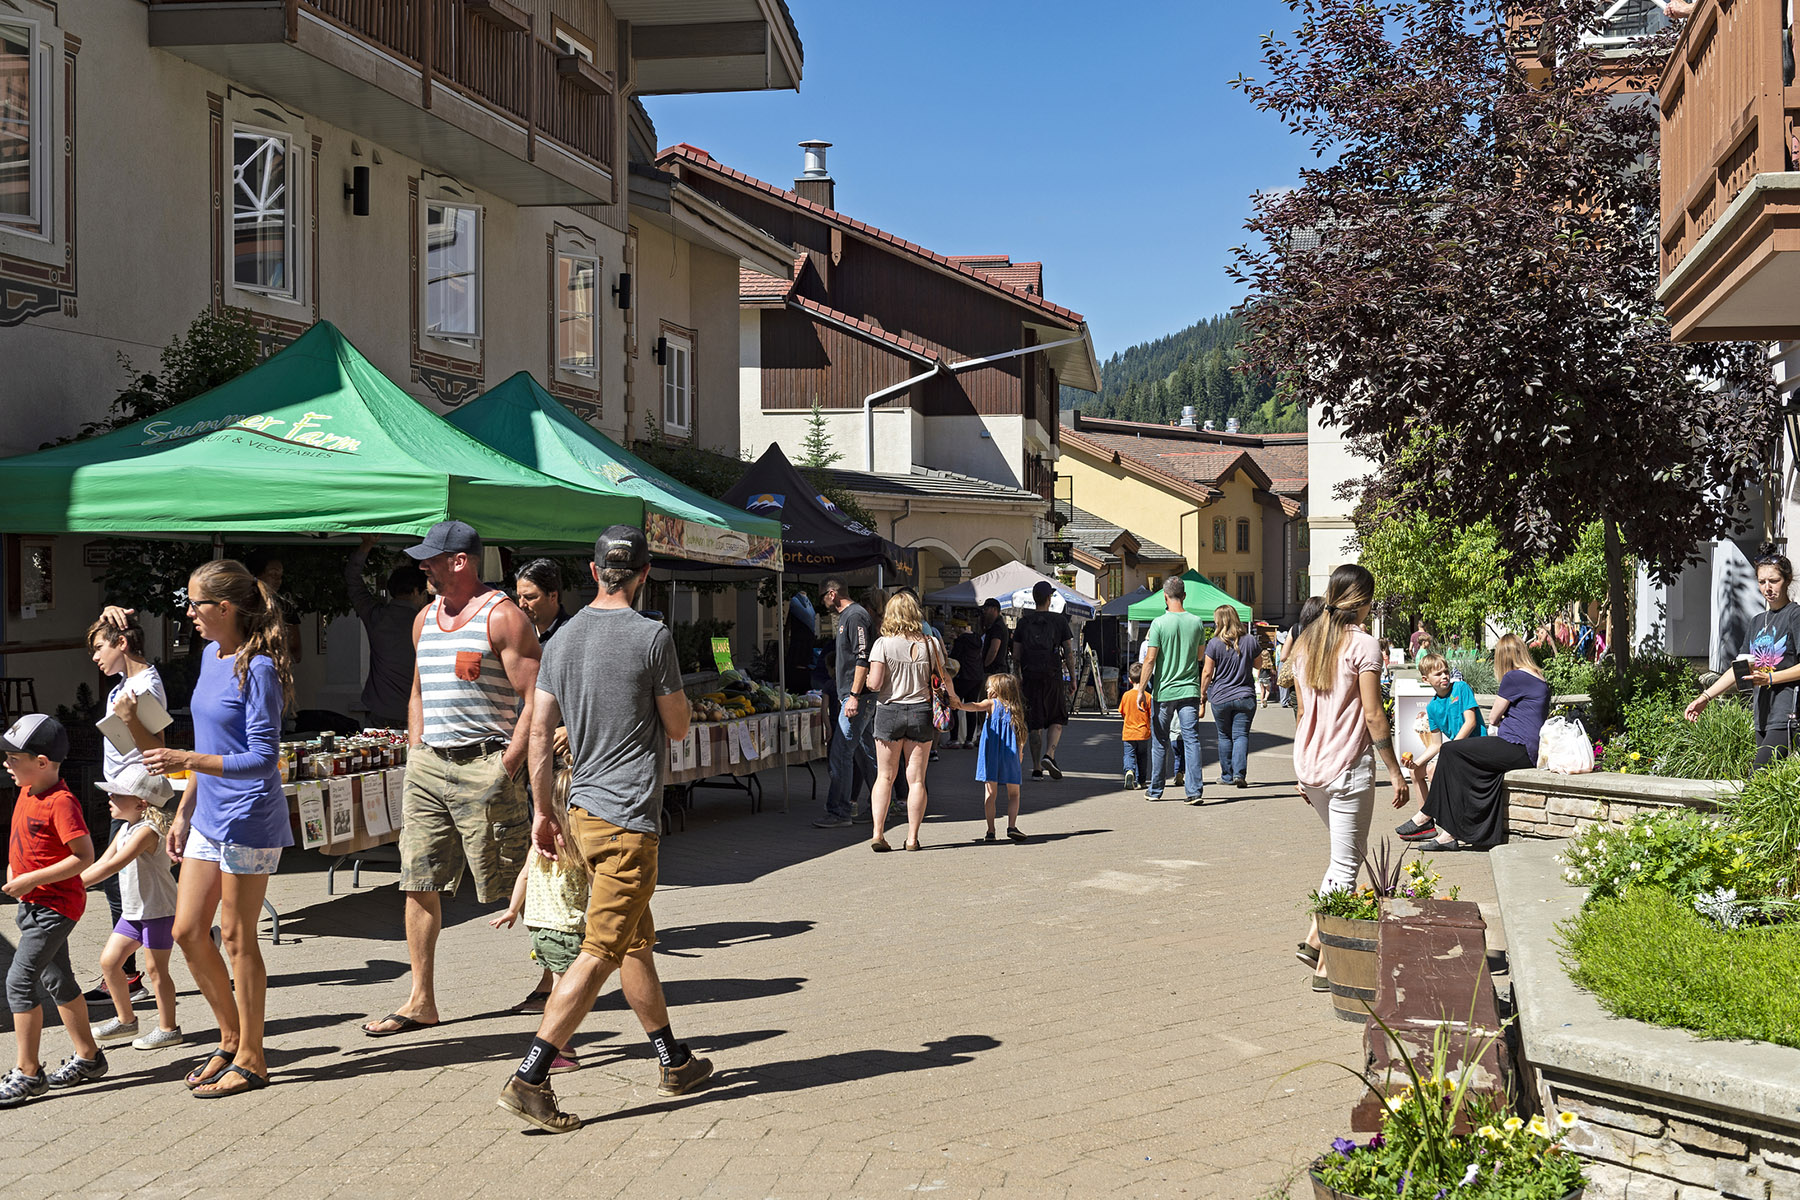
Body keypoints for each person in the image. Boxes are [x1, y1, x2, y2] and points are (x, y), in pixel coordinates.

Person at [497, 526, 711, 1133]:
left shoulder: (560, 640)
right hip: (629, 820)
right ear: (644, 574)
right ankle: (530, 1077)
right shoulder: (653, 636)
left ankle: (675, 1062)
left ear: (594, 573)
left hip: (583, 814)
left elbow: (539, 733)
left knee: (634, 941)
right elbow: (676, 727)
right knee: (597, 953)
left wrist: (542, 811)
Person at [362, 520, 540, 1038]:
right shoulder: (423, 618)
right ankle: (421, 1001)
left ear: (460, 561)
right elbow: (417, 690)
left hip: (485, 765)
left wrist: (505, 765)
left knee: (514, 879)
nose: (423, 567)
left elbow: (537, 699)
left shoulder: (503, 617)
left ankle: (555, 980)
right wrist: (417, 748)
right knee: (418, 881)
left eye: (432, 560)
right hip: (428, 767)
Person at [140, 559, 293, 1097]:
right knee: (186, 932)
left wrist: (187, 759)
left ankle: (253, 1057)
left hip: (249, 816)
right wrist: (183, 810)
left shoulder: (261, 669)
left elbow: (260, 758)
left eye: (196, 604)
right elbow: (211, 744)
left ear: (224, 608)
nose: (189, 613)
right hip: (206, 814)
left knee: (235, 936)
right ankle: (231, 1037)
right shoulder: (208, 656)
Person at [1289, 565, 1409, 992]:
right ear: (1364, 601)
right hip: (1348, 765)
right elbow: (1374, 714)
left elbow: (1303, 713)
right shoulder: (1364, 645)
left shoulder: (1306, 643)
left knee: (1342, 858)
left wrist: (1301, 767)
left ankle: (1315, 941)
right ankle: (1325, 964)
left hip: (1312, 767)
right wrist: (1395, 771)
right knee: (1346, 864)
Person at [1, 715, 103, 1107]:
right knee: (58, 980)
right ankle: (89, 1057)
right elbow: (25, 842)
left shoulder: (62, 803)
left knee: (19, 982)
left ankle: (28, 1073)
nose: (6, 764)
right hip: (34, 904)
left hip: (55, 906)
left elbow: (83, 856)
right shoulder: (27, 791)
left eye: (13, 758)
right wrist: (16, 871)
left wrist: (30, 880)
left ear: (42, 762)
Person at [82, 610, 168, 1006]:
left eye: (100, 647)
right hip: (123, 794)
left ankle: (127, 972)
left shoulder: (145, 684)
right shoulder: (125, 682)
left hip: (138, 798)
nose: (95, 657)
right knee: (145, 885)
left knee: (121, 880)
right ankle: (198, 934)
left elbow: (157, 745)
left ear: (122, 643)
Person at [490, 767, 587, 1073]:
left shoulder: (541, 839)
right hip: (565, 928)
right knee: (565, 991)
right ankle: (554, 1047)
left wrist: (512, 909)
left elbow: (523, 875)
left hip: (540, 928)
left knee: (562, 987)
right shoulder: (578, 842)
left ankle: (558, 1044)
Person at [79, 765, 183, 1051]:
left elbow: (114, 866)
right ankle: (126, 1020)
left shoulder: (148, 832)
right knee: (110, 962)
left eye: (117, 794)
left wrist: (68, 888)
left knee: (156, 970)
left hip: (159, 910)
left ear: (141, 802)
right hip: (135, 912)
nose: (109, 798)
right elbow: (101, 863)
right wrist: (65, 882)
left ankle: (168, 1028)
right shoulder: (126, 828)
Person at [1421, 633, 1548, 851]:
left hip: (1516, 745)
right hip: (1527, 748)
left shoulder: (1513, 677)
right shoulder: (1538, 676)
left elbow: (1493, 717)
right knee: (1466, 764)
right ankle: (1453, 831)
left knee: (1452, 750)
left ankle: (1428, 818)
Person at [1685, 548, 1800, 766]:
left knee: (1757, 775)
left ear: (1787, 580)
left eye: (1773, 580)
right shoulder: (1757, 621)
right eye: (1762, 581)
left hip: (1787, 714)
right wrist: (1704, 698)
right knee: (1764, 785)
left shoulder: (1795, 615)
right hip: (1762, 714)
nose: (1767, 588)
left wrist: (1770, 679)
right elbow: (1739, 668)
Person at [866, 591, 944, 852]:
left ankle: (878, 833)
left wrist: (865, 681)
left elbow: (875, 684)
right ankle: (912, 838)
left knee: (885, 777)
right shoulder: (930, 643)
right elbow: (941, 678)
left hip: (889, 710)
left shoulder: (882, 644)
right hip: (920, 711)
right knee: (917, 780)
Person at [1395, 652, 1486, 840]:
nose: (1444, 676)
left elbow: (1470, 723)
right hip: (1456, 751)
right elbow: (1436, 744)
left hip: (1476, 747)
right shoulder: (1432, 707)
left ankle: (1446, 825)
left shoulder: (1461, 688)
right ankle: (1427, 823)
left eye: (1445, 672)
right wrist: (1415, 763)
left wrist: (1450, 750)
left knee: (1433, 768)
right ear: (1426, 679)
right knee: (1417, 772)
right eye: (1438, 674)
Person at [345, 534, 431, 729]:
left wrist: (366, 546)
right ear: (417, 592)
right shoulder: (429, 622)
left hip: (379, 712)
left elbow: (352, 579)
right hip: (417, 714)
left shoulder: (376, 617)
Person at [814, 577, 875, 829]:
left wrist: (854, 695)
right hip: (854, 696)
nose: (822, 603)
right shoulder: (849, 616)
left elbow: (863, 657)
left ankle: (840, 812)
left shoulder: (854, 616)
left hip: (856, 699)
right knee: (865, 753)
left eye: (822, 598)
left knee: (840, 754)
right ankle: (882, 803)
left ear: (831, 594)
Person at [1141, 575, 1207, 804]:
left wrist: (1140, 689)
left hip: (1165, 691)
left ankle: (1156, 790)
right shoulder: (1197, 622)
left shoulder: (1159, 623)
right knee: (1191, 740)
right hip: (1189, 689)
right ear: (1184, 595)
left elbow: (1150, 660)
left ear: (1164, 596)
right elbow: (1200, 655)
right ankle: (1194, 791)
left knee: (1160, 741)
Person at [952, 672, 1029, 842]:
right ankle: (1012, 826)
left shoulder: (991, 704)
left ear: (999, 689)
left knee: (990, 794)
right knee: (1014, 794)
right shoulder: (1015, 708)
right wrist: (1021, 752)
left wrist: (959, 705)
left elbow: (975, 706)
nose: (987, 688)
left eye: (990, 685)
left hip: (991, 754)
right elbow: (1021, 735)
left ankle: (991, 830)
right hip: (1011, 755)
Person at [1013, 581, 1076, 779]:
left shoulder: (1023, 623)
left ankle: (1036, 767)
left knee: (1034, 722)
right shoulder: (1059, 621)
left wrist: (1018, 676)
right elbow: (1068, 652)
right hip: (1053, 675)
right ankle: (1050, 754)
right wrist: (1073, 677)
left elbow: (1016, 655)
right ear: (1049, 599)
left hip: (1030, 676)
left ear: (1034, 598)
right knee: (1057, 716)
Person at [1198, 606, 1262, 790]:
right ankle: (1239, 774)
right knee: (1241, 735)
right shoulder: (1250, 640)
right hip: (1245, 696)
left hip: (1220, 696)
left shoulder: (1214, 643)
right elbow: (1259, 664)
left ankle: (1226, 775)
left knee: (1224, 736)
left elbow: (1207, 672)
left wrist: (1202, 694)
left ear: (1219, 621)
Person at [515, 558, 571, 646]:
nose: (521, 604)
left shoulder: (573, 633)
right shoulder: (518, 633)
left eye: (529, 597)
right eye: (519, 597)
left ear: (553, 596)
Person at [950, 622, 986, 749]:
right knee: (972, 706)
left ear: (960, 627)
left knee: (954, 706)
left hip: (963, 676)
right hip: (977, 676)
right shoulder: (977, 638)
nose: (953, 629)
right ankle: (969, 740)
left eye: (954, 627)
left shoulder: (961, 640)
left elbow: (954, 657)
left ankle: (954, 739)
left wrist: (954, 642)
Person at [1118, 662, 1152, 789]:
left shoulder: (1126, 696)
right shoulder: (1148, 696)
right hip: (1143, 733)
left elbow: (1122, 712)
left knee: (1129, 754)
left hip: (1128, 732)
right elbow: (1150, 715)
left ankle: (1129, 771)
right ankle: (1141, 780)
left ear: (1130, 680)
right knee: (1142, 757)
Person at [979, 598, 1011, 678]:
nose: (984, 612)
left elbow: (994, 649)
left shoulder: (997, 627)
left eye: (986, 609)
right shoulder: (996, 625)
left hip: (995, 671)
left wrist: (985, 665)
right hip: (997, 670)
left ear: (994, 609)